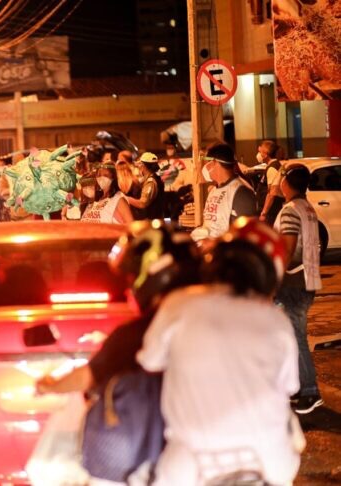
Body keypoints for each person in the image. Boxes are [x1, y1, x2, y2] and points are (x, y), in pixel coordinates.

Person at [138, 218, 303, 486]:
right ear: (270, 274)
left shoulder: (179, 304)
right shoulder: (278, 322)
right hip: (269, 464)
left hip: (190, 467)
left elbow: (150, 363)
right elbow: (288, 387)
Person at [36, 221, 201, 483]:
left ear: (153, 271)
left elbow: (89, 376)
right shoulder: (230, 320)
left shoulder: (142, 331)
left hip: (167, 460)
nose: (129, 287)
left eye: (132, 276)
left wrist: (50, 386)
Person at [274, 164, 324, 414]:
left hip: (293, 283)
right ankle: (296, 389)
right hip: (308, 280)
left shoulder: (290, 211)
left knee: (295, 337)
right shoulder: (307, 208)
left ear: (286, 182)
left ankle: (309, 391)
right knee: (292, 337)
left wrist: (273, 279)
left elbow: (288, 250)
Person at [190, 142, 257, 243]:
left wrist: (213, 243)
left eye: (207, 163)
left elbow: (245, 234)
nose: (205, 167)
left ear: (214, 163)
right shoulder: (214, 190)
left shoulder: (241, 193)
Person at [126, 152, 165, 220]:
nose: (139, 166)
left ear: (143, 166)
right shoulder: (150, 178)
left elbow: (142, 203)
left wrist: (126, 198)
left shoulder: (151, 182)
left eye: (140, 164)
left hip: (151, 222)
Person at [258, 140, 285, 225]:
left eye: (260, 152)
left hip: (271, 212)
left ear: (265, 154)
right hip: (273, 210)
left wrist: (264, 213)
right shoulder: (275, 165)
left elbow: (272, 193)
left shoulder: (272, 168)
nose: (258, 154)